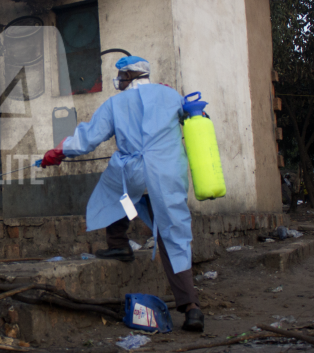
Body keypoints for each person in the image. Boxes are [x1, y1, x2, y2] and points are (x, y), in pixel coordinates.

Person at [40, 56, 203, 332]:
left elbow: (88, 138)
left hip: (135, 171)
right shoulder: (170, 94)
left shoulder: (115, 104)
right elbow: (193, 117)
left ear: (129, 75)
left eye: (121, 76)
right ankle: (191, 307)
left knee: (121, 195)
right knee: (172, 232)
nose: (119, 82)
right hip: (169, 172)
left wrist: (58, 151)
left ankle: (118, 242)